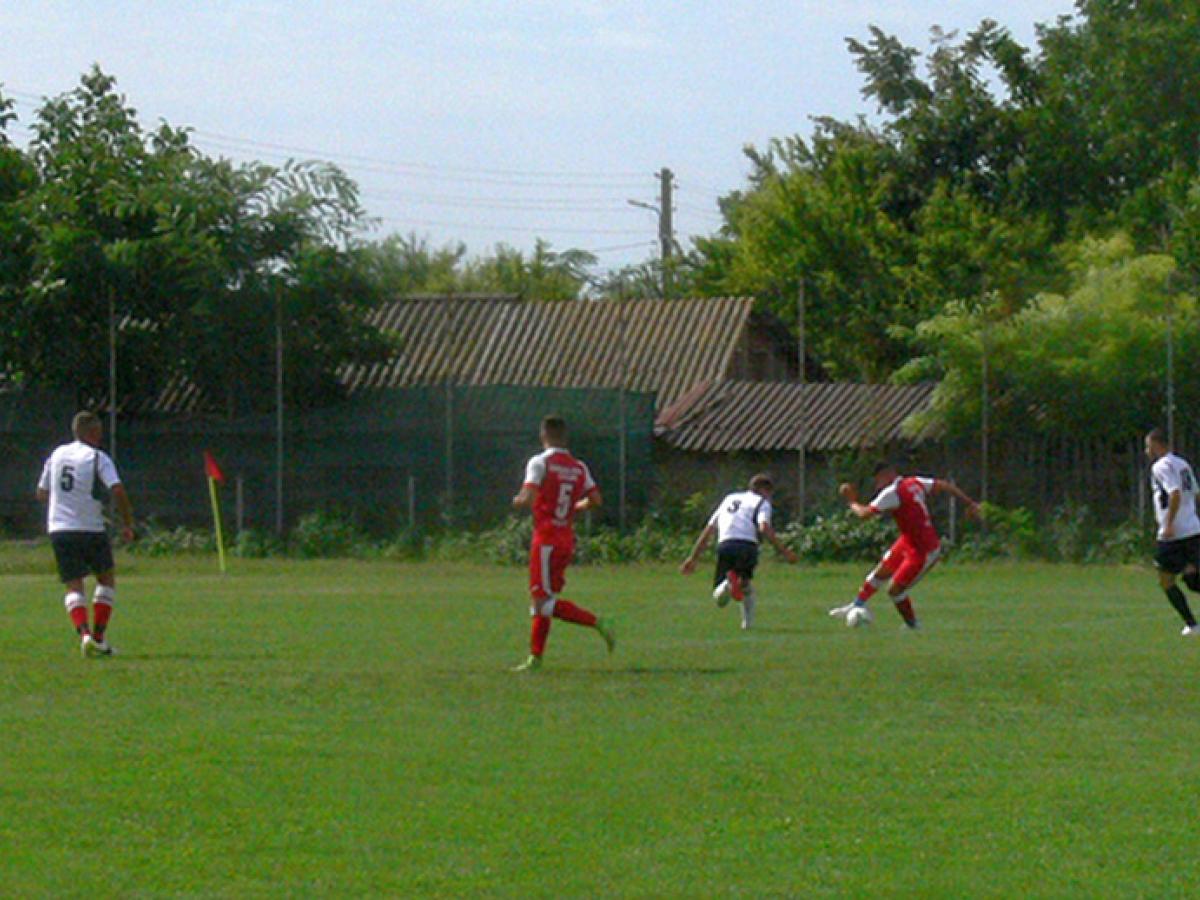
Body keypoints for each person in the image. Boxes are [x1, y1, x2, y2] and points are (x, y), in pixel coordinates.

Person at [511, 415, 616, 671]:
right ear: (565, 437)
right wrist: (574, 507)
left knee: (542, 603)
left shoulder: (540, 462)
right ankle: (535, 659)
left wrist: (518, 500)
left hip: (546, 539)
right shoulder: (579, 467)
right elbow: (596, 499)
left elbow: (528, 496)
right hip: (565, 539)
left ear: (543, 435)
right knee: (544, 599)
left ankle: (597, 622)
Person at [831, 462, 978, 630]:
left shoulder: (892, 492)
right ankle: (857, 605)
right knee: (880, 572)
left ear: (887, 474)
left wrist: (851, 501)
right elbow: (944, 485)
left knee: (895, 590)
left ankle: (913, 625)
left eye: (878, 480)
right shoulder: (914, 482)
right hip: (908, 541)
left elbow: (864, 514)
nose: (877, 485)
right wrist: (970, 503)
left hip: (924, 550)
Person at [36, 411, 136, 657]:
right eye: (98, 431)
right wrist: (127, 523)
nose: (100, 436)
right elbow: (117, 490)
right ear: (91, 432)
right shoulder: (97, 457)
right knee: (106, 579)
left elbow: (41, 493)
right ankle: (99, 638)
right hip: (90, 527)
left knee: (73, 585)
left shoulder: (57, 454)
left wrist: (64, 503)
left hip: (60, 528)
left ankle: (85, 636)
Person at [680, 473, 798, 630]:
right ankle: (731, 587)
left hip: (725, 545)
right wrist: (784, 551)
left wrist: (693, 557)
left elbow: (709, 529)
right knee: (742, 585)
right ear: (764, 490)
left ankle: (745, 620)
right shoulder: (762, 502)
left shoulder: (729, 499)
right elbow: (764, 527)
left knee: (729, 594)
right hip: (747, 546)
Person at [1144, 428, 1200, 636]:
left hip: (1174, 534)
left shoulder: (1160, 466)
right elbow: (1196, 494)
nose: (1146, 451)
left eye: (1148, 446)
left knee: (1166, 580)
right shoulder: (1182, 463)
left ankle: (1192, 625)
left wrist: (1168, 524)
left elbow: (1174, 493)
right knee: (1192, 578)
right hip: (1193, 529)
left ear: (1157, 445)